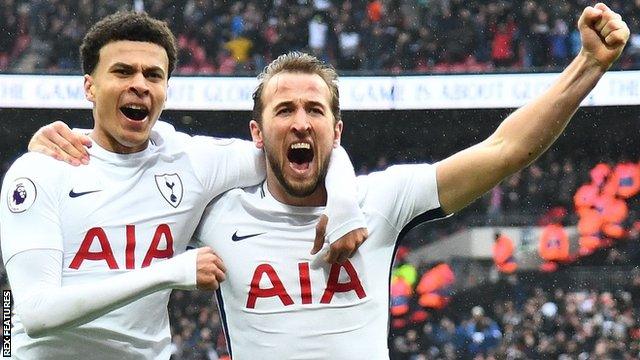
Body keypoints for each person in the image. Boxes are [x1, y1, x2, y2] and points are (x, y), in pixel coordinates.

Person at [31, 3, 629, 358]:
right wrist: (55, 150)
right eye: (284, 111)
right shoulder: (215, 209)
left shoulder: (382, 200)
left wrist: (588, 67)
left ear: (336, 131)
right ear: (256, 135)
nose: (300, 122)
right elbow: (127, 180)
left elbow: (506, 149)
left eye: (314, 111)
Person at [1, 11, 366, 360]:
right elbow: (36, 313)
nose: (140, 85)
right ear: (90, 87)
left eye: (153, 75)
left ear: (165, 90)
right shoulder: (42, 170)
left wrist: (344, 201)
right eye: (122, 71)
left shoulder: (192, 162)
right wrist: (170, 272)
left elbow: (300, 149)